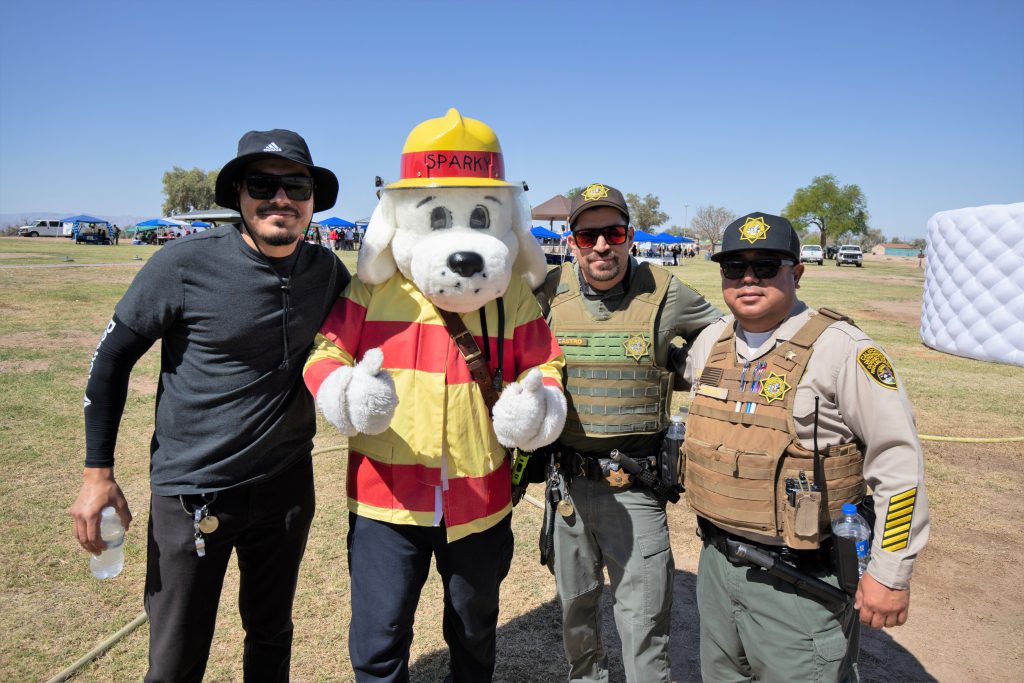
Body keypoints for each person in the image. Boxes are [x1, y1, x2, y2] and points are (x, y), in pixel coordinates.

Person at [70, 128, 348, 683]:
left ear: (313, 199)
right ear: (238, 196)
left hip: (286, 487)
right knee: (175, 657)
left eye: (296, 185)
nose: (281, 199)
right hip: (193, 491)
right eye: (262, 185)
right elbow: (111, 361)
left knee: (271, 637)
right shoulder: (182, 264)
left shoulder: (328, 273)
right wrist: (97, 473)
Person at [681, 212, 930, 682]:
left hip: (802, 580)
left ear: (796, 272)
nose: (748, 278)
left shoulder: (844, 350)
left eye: (766, 264)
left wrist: (890, 572)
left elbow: (899, 466)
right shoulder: (711, 341)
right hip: (717, 564)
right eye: (734, 267)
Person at [535, 183, 721, 683]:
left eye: (613, 233)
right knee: (576, 618)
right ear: (571, 241)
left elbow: (720, 337)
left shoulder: (665, 290)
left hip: (635, 489)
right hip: (568, 487)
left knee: (643, 625)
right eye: (588, 235)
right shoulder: (550, 292)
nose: (601, 246)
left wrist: (680, 367)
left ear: (630, 236)